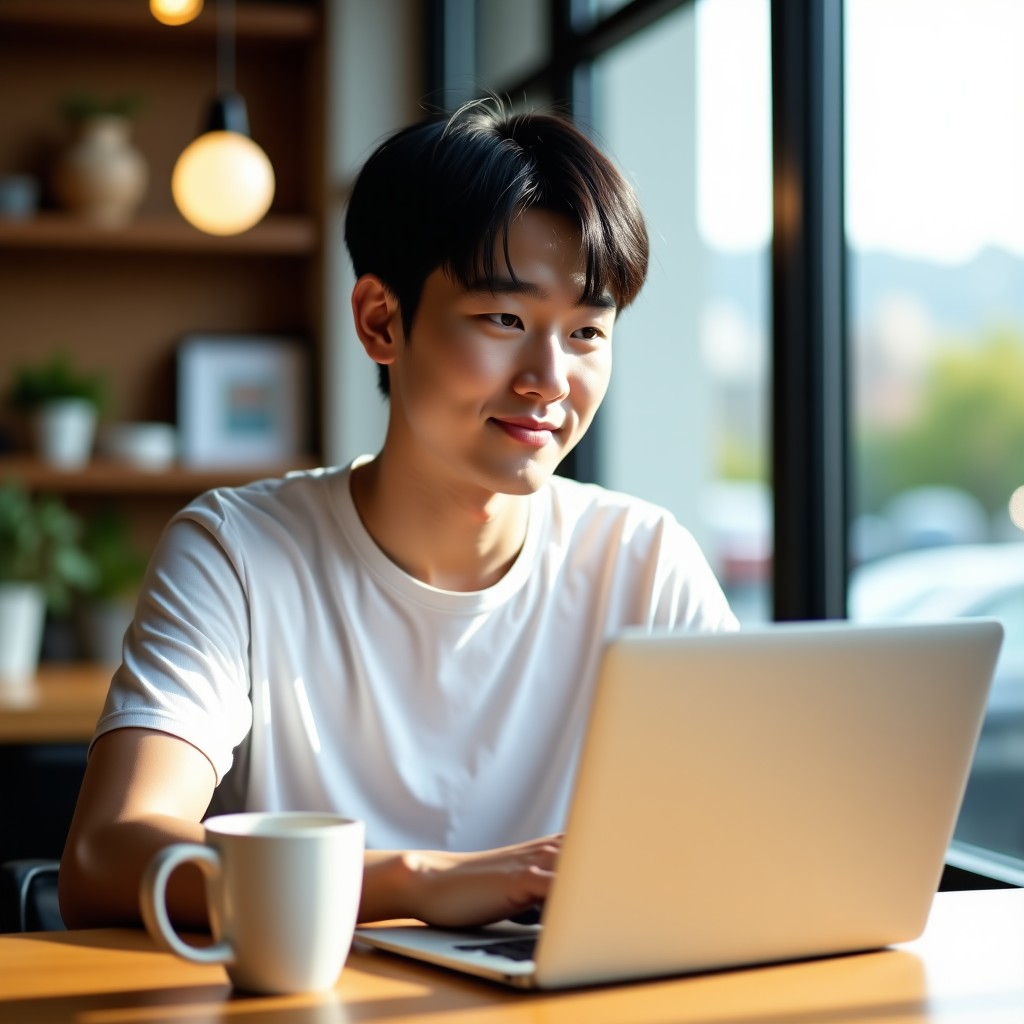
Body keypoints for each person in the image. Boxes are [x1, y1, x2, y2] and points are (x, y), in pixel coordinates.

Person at [59, 99, 738, 931]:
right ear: (382, 320)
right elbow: (106, 855)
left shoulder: (645, 561)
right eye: (504, 319)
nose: (550, 379)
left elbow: (748, 839)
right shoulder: (236, 553)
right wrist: (416, 881)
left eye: (588, 333)